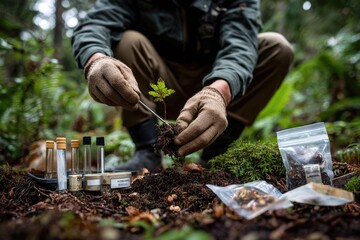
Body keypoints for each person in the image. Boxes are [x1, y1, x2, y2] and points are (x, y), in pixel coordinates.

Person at [72, 0, 294, 172]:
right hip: (154, 81)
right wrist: (95, 60)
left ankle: (216, 152)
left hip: (216, 81)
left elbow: (241, 44)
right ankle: (147, 151)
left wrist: (218, 91)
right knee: (127, 40)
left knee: (277, 48)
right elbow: (95, 23)